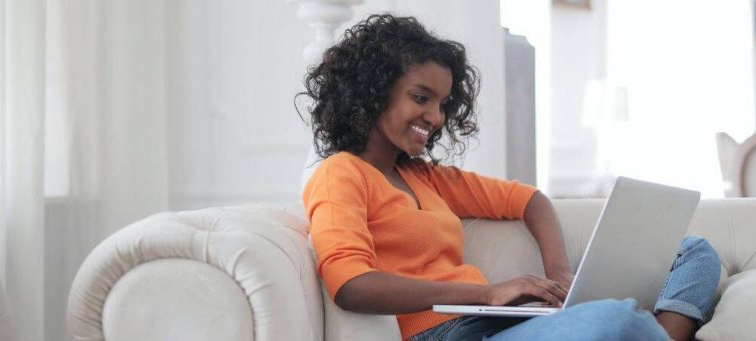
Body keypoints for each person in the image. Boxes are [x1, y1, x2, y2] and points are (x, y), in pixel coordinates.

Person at [298, 13, 721, 341]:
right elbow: (351, 285)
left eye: (443, 103)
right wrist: (487, 294)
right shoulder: (340, 174)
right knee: (615, 318)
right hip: (446, 333)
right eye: (421, 98)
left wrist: (559, 272)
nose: (435, 117)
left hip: (494, 324)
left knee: (693, 251)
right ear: (372, 90)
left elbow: (529, 199)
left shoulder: (425, 177)